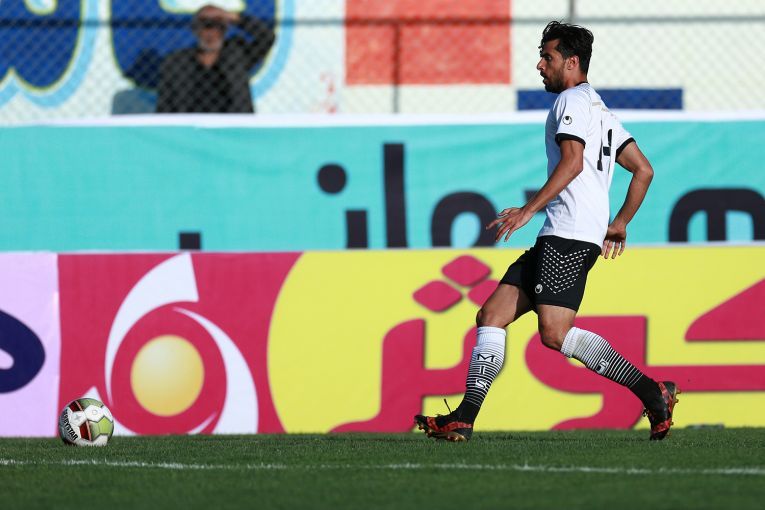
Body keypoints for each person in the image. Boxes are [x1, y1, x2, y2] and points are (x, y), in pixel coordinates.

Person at [415, 21, 678, 442]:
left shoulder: (571, 100)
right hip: (565, 233)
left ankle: (652, 392)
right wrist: (620, 223)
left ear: (572, 62)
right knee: (492, 315)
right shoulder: (601, 111)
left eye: (547, 57)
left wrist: (527, 210)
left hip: (567, 235)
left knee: (555, 333)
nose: (540, 65)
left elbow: (572, 162)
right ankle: (464, 416)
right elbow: (643, 170)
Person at [156, 5, 275, 113]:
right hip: (192, 123)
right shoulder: (178, 62)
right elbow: (165, 104)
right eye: (206, 26)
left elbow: (267, 38)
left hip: (232, 122)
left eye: (218, 26)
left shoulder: (238, 55)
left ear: (225, 30)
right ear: (196, 31)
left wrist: (235, 18)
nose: (211, 34)